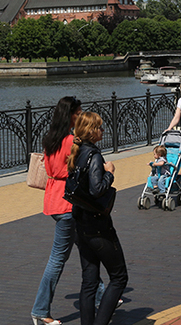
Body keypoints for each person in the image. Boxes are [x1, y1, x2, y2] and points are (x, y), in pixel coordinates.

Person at [68, 112, 128, 325]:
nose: (103, 130)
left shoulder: (77, 153)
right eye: (100, 127)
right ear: (91, 132)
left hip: (80, 225)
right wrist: (109, 173)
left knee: (89, 281)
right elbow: (96, 189)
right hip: (97, 227)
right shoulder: (94, 156)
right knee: (119, 277)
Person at [31, 96, 82, 325]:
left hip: (53, 199)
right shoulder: (72, 141)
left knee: (87, 245)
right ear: (70, 115)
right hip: (68, 202)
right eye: (78, 113)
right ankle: (40, 310)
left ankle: (101, 294)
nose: (80, 116)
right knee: (58, 259)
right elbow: (77, 170)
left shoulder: (50, 138)